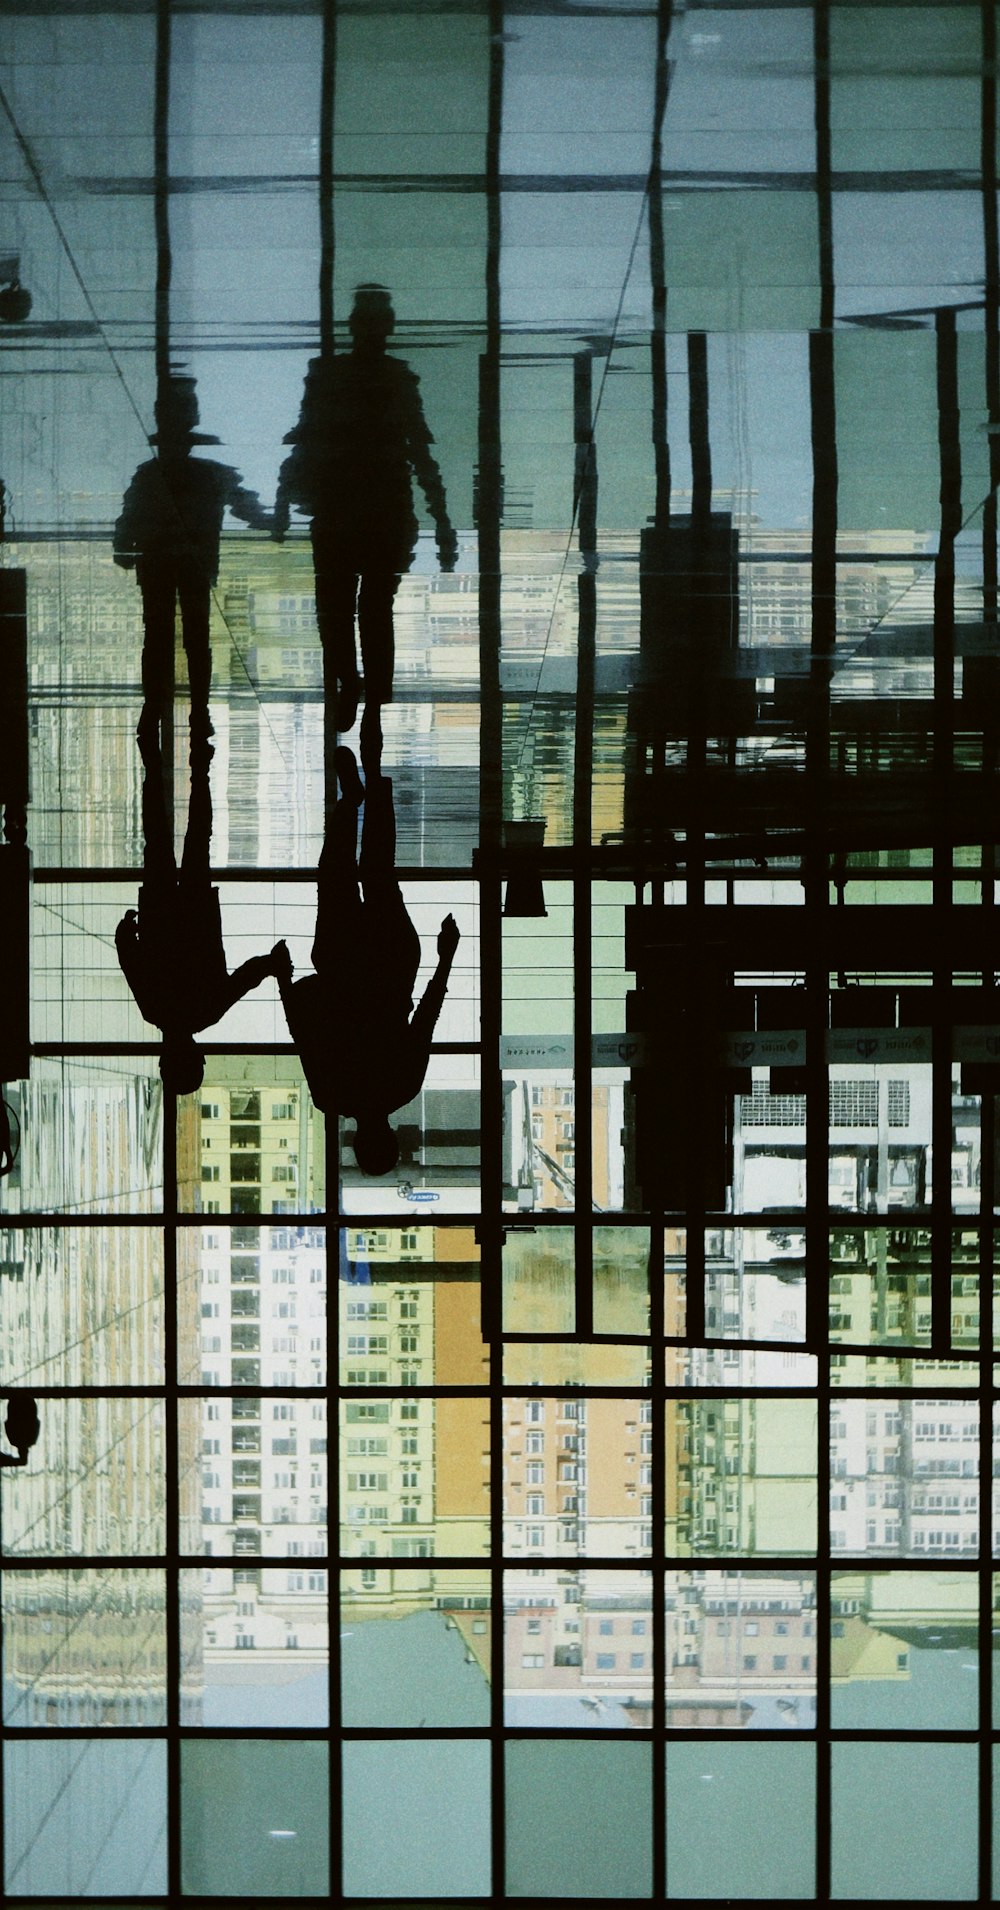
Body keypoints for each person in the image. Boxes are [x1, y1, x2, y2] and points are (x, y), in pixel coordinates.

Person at [273, 284, 458, 738]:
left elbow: (305, 436)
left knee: (337, 609)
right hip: (385, 508)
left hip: (341, 508)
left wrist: (282, 500)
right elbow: (420, 449)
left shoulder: (328, 375)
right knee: (375, 609)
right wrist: (442, 519)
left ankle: (353, 685)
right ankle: (372, 700)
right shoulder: (395, 379)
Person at [274, 743, 460, 1174]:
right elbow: (302, 1030)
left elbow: (426, 1017)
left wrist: (446, 957)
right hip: (340, 963)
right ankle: (351, 800)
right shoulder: (331, 1097)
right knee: (334, 875)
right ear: (355, 1142)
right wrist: (284, 979)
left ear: (393, 1135)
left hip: (391, 964)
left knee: (378, 870)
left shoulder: (404, 1086)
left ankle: (374, 787)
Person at [116, 731, 286, 1096]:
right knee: (157, 839)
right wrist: (126, 932)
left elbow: (246, 977)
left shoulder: (207, 1012)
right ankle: (152, 765)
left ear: (196, 1055)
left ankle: (201, 769)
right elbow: (131, 961)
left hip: (196, 913)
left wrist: (274, 964)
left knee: (198, 839)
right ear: (164, 1058)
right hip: (160, 912)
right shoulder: (154, 1009)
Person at [114, 373, 272, 749]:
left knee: (157, 637)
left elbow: (128, 517)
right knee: (195, 639)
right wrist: (276, 520)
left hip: (156, 564)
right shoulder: (210, 475)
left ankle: (154, 708)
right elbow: (248, 507)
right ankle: (198, 711)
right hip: (196, 564)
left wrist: (123, 545)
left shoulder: (149, 474)